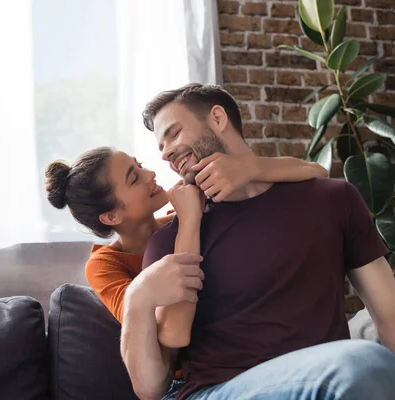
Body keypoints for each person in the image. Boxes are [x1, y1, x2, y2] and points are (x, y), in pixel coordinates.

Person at [121, 83, 395, 400]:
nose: (167, 152)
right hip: (219, 392)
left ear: (218, 118)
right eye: (161, 146)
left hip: (328, 380)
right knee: (360, 364)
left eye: (174, 133)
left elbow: (388, 316)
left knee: (362, 367)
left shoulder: (333, 200)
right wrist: (136, 298)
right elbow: (151, 386)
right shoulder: (171, 239)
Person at [44, 145, 327, 347]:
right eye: (134, 178)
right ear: (111, 216)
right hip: (185, 380)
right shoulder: (105, 265)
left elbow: (317, 171)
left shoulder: (183, 212)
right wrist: (189, 221)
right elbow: (156, 332)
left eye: (140, 165)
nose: (151, 174)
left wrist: (248, 167)